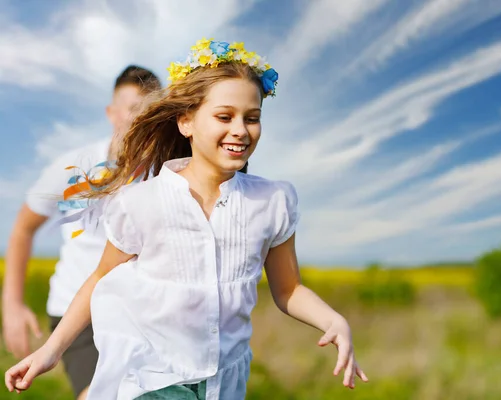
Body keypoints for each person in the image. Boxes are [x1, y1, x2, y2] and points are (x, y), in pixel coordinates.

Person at [5, 39, 368, 400]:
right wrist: (50, 351)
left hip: (226, 384)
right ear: (186, 122)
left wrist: (333, 319)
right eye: (224, 117)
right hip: (155, 380)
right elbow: (100, 278)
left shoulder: (274, 201)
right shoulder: (141, 202)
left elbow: (288, 289)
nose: (241, 129)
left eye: (252, 118)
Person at [2, 65, 162, 400]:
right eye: (133, 110)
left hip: (143, 314)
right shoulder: (73, 164)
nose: (140, 120)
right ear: (111, 112)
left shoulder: (169, 171)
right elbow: (23, 229)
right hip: (77, 314)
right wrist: (12, 304)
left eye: (151, 111)